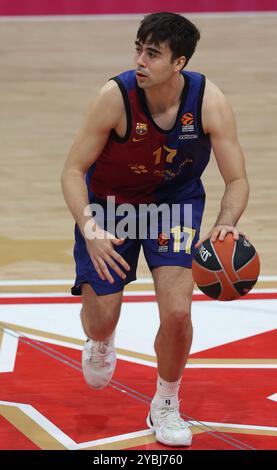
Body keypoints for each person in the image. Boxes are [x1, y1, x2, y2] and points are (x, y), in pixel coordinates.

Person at [61, 12, 249, 447]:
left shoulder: (209, 101)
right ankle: (100, 339)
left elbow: (236, 180)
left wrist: (224, 226)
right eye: (138, 49)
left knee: (179, 312)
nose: (140, 61)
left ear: (178, 62)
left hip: (173, 206)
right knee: (101, 319)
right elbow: (73, 170)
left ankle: (166, 403)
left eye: (153, 54)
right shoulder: (115, 96)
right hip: (111, 207)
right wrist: (89, 229)